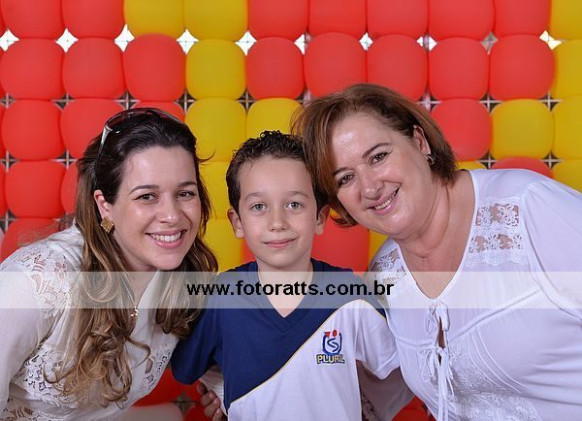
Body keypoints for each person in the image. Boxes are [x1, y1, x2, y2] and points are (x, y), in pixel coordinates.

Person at [294, 83, 582, 421]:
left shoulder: (527, 209)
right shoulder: (386, 273)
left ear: (420, 142)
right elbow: (364, 397)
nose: (370, 187)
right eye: (345, 178)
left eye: (378, 157)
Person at [171, 131, 414, 420]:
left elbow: (405, 367)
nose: (277, 222)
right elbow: (187, 370)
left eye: (294, 204)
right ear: (237, 222)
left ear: (319, 217)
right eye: (259, 207)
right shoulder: (221, 298)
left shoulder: (349, 295)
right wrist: (225, 391)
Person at [0, 108, 220, 420]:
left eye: (185, 193)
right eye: (147, 196)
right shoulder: (37, 282)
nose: (172, 216)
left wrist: (226, 391)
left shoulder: (186, 279)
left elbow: (226, 360)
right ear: (105, 205)